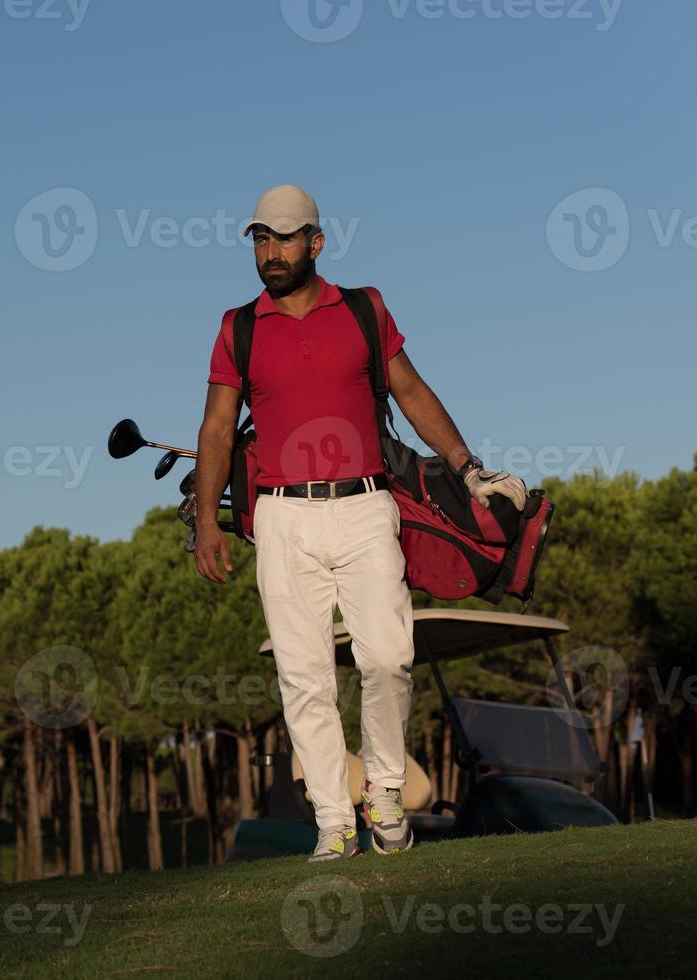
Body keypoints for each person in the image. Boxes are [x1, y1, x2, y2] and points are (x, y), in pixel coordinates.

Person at [193, 185, 527, 861]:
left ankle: (383, 793)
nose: (271, 252)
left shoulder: (363, 309)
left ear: (315, 243)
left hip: (366, 506)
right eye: (260, 239)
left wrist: (466, 466)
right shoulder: (239, 327)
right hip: (282, 518)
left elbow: (409, 390)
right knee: (304, 676)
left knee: (387, 659)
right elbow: (217, 427)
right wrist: (205, 520)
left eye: (284, 238)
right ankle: (330, 821)